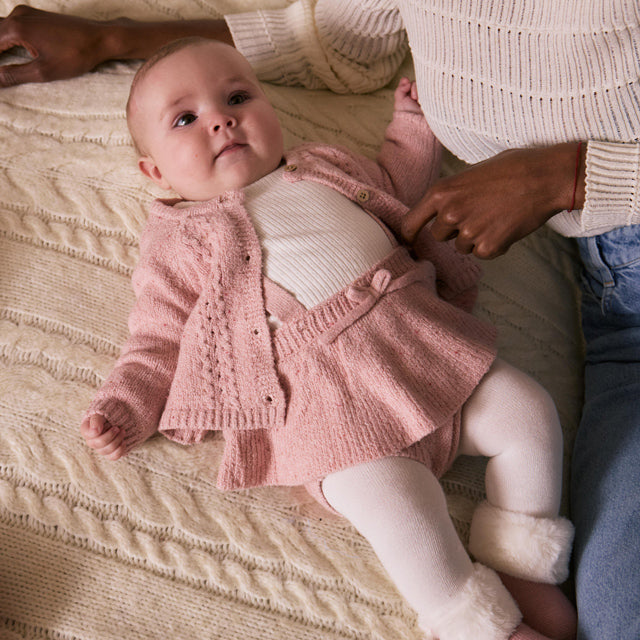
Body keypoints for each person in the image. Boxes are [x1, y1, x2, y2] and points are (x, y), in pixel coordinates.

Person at [2, 4, 637, 638]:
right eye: (186, 119)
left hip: (422, 350)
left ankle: (523, 562)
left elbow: (399, 184)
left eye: (238, 97)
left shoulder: (327, 165)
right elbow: (159, 335)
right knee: (401, 509)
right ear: (155, 172)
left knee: (527, 412)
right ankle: (478, 624)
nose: (221, 119)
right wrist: (127, 403)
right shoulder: (180, 239)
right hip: (330, 413)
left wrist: (414, 124)